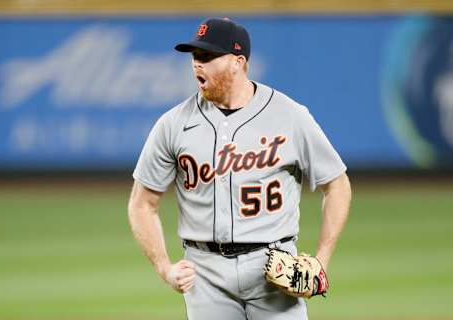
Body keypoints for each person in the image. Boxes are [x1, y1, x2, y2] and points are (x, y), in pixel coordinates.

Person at [128, 17, 352, 320]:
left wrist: (322, 260)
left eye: (207, 56)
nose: (197, 64)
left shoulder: (289, 115)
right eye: (195, 56)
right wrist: (164, 268)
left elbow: (337, 184)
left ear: (238, 62)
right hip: (204, 272)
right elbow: (142, 203)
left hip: (274, 268)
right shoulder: (173, 124)